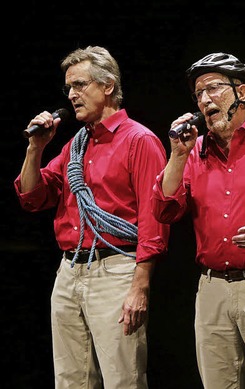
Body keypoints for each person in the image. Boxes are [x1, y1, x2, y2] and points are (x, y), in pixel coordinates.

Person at [14, 46, 170, 388]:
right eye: (69, 87)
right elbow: (33, 197)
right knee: (70, 380)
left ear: (108, 86)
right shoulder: (76, 145)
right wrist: (35, 149)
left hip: (116, 269)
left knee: (122, 378)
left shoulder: (139, 140)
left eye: (80, 85)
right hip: (70, 270)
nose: (72, 94)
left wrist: (140, 286)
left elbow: (154, 219)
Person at [150, 52, 245, 389]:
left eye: (214, 88)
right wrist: (177, 155)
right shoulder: (193, 151)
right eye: (199, 94)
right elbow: (165, 211)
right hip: (212, 288)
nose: (205, 99)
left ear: (242, 93)